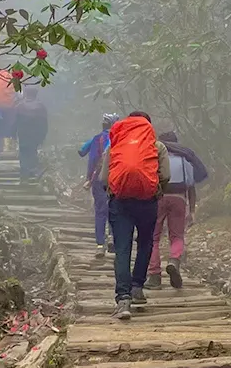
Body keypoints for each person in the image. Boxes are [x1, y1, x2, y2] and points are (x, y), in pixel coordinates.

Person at [97, 111, 170, 320]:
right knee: (146, 242)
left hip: (120, 203)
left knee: (122, 249)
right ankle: (138, 286)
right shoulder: (157, 146)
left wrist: (114, 191)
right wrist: (155, 189)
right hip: (148, 202)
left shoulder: (115, 146)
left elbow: (104, 179)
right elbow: (166, 175)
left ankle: (123, 299)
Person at [147, 131, 203, 289]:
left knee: (153, 238)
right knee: (177, 236)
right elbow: (191, 187)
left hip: (157, 198)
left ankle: (154, 277)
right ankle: (174, 261)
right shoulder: (184, 158)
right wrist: (192, 211)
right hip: (179, 198)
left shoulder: (155, 156)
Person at [79, 113, 119, 259]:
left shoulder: (96, 139)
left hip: (97, 179)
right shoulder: (118, 139)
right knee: (114, 209)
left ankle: (100, 245)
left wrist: (89, 177)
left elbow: (82, 151)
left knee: (100, 211)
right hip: (115, 179)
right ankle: (112, 238)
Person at [14, 88, 48, 181]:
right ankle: (32, 172)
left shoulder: (20, 106)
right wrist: (43, 135)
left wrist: (13, 134)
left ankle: (24, 175)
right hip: (36, 134)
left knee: (23, 153)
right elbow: (44, 123)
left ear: (26, 94)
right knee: (33, 152)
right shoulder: (41, 106)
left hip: (23, 134)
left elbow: (15, 122)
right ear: (36, 94)